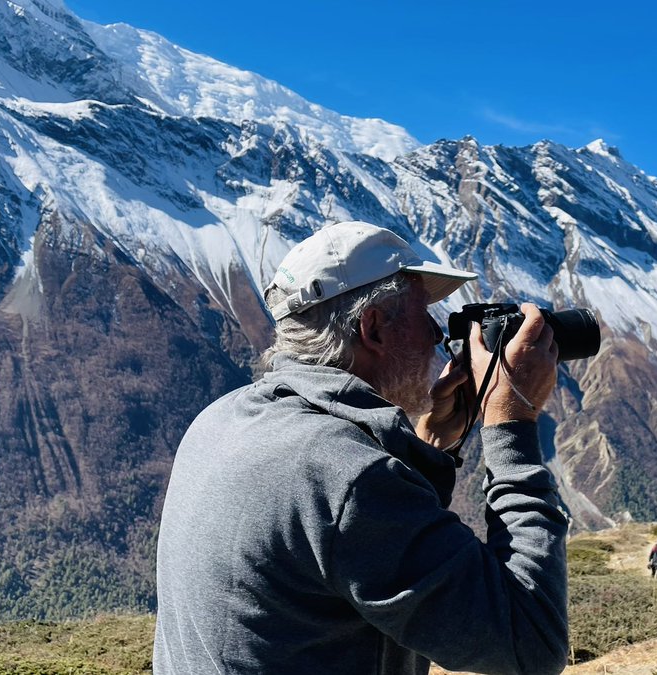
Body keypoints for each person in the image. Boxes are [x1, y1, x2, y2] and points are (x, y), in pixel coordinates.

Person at [152, 221, 569, 675]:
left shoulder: (220, 419)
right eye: (421, 314)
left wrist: (430, 444)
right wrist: (512, 418)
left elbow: (352, 549)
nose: (436, 334)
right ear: (373, 328)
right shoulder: (344, 475)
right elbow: (532, 642)